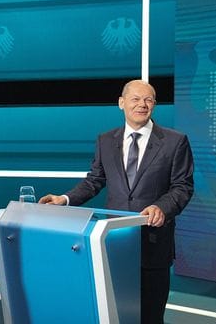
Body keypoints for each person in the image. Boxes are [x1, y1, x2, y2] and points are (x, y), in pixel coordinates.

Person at [39, 79, 194, 324]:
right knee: (114, 315)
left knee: (150, 318)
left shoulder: (175, 141)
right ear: (121, 103)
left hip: (153, 245)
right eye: (135, 99)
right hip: (114, 244)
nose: (142, 104)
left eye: (149, 99)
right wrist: (65, 199)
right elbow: (95, 180)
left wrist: (161, 207)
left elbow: (182, 187)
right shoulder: (105, 140)